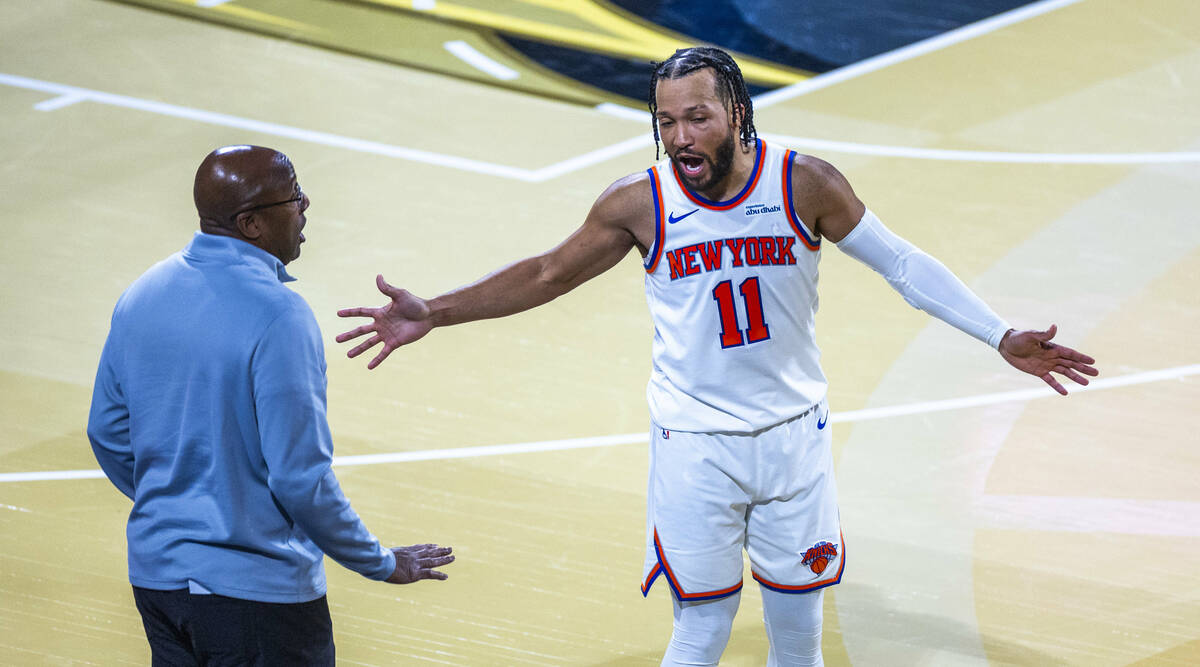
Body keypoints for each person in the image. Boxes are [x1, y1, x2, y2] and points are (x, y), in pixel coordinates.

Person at [335, 48, 1097, 666]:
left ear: (736, 112)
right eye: (666, 121)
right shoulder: (640, 202)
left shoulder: (803, 181)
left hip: (794, 442)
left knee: (798, 641)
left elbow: (901, 263)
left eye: (697, 118)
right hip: (695, 451)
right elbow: (546, 273)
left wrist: (998, 333)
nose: (680, 137)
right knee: (700, 632)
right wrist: (434, 310)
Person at [87, 145, 454, 666]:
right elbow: (300, 479)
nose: (307, 205)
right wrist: (381, 563)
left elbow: (107, 431)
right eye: (294, 196)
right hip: (257, 599)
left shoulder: (143, 293)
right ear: (252, 223)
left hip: (157, 581)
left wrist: (180, 509)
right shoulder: (279, 315)